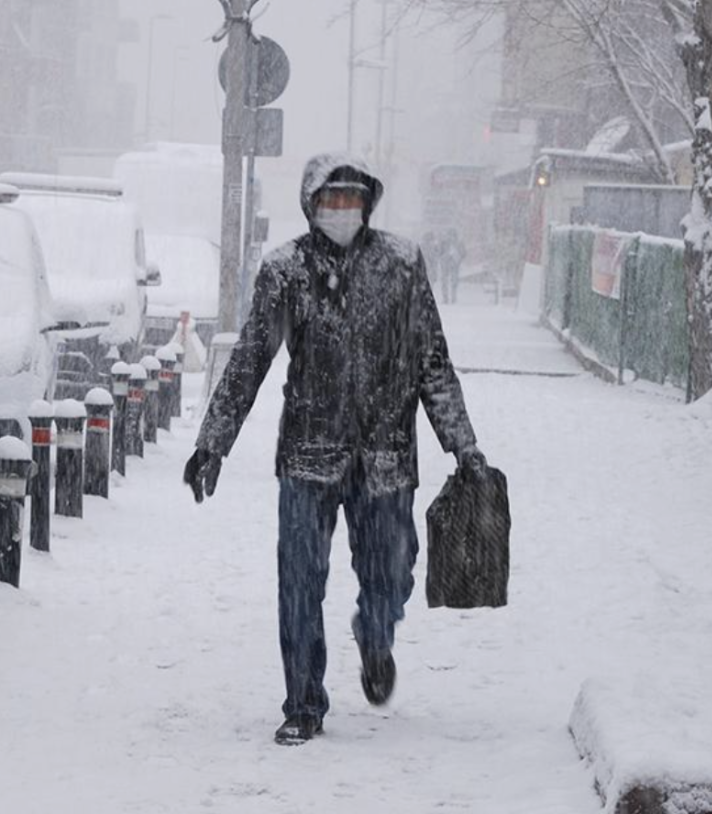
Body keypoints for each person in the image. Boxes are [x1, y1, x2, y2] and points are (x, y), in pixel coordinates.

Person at [183, 153, 487, 746]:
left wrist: (464, 446)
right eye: (331, 201)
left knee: (393, 575)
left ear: (368, 205)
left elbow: (432, 363)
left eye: (352, 201)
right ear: (312, 206)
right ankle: (303, 702)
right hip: (308, 454)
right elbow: (250, 360)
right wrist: (212, 443)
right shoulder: (286, 271)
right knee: (298, 583)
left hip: (386, 457)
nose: (341, 211)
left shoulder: (400, 266)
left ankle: (376, 636)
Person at [440, 228, 465, 304]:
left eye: (452, 235)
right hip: (448, 265)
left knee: (453, 282)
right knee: (446, 282)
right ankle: (446, 298)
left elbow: (463, 253)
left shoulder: (458, 243)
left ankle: (452, 297)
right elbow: (439, 252)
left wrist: (459, 258)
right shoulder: (444, 243)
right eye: (450, 235)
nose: (451, 237)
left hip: (453, 265)